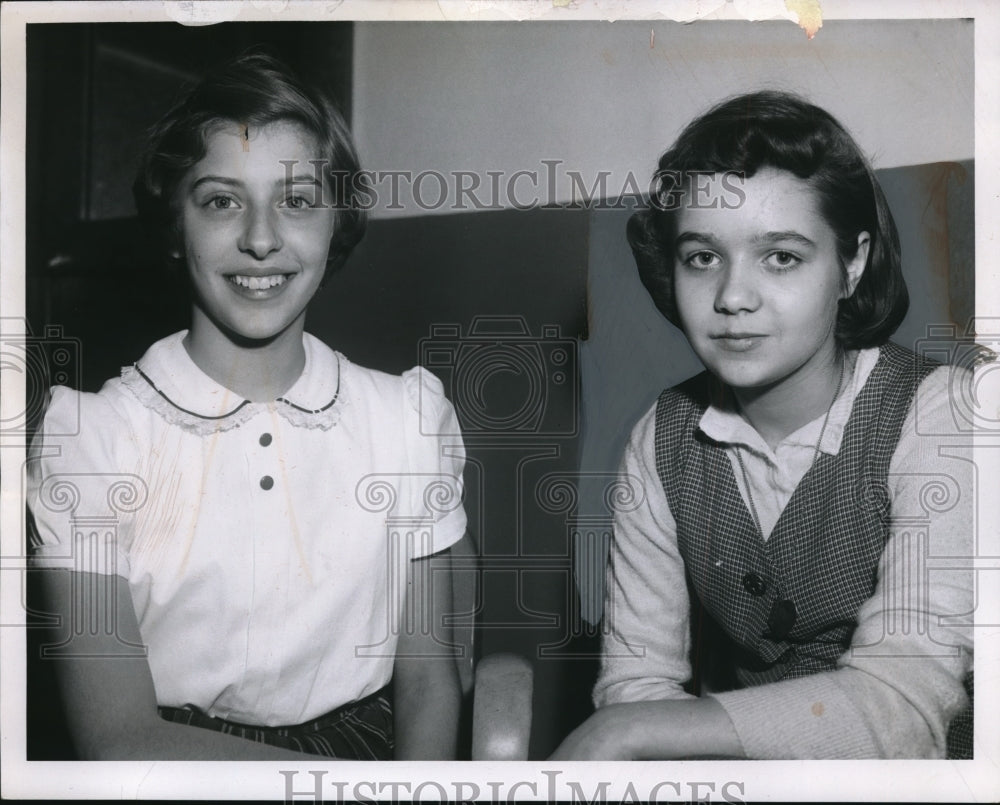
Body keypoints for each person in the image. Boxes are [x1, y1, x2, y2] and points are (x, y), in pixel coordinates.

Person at [26, 52, 466, 761]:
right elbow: (119, 739)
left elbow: (429, 685)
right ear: (176, 222)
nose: (261, 238)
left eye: (296, 199)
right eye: (221, 200)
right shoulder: (91, 439)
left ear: (336, 220)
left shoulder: (406, 418)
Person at [551, 90, 975, 760]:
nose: (732, 297)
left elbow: (904, 704)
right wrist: (632, 725)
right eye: (702, 256)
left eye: (780, 256)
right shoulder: (659, 441)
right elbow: (638, 684)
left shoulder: (943, 412)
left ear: (852, 264)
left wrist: (629, 730)